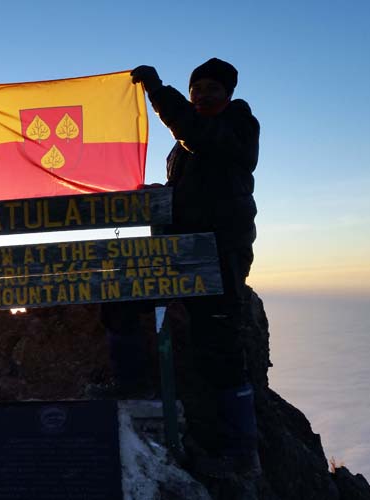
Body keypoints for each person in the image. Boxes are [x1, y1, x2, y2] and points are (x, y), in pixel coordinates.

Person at [101, 58, 261, 478]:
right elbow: (200, 182)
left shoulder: (239, 125)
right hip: (179, 250)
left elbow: (202, 139)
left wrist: (157, 90)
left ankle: (241, 451)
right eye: (197, 88)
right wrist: (166, 193)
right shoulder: (194, 138)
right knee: (121, 297)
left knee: (219, 346)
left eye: (212, 88)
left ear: (228, 93)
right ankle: (133, 386)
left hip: (218, 253)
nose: (203, 94)